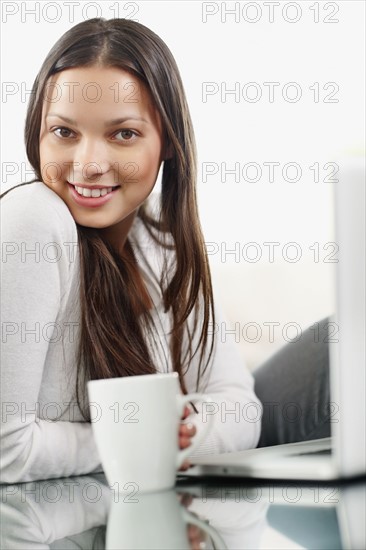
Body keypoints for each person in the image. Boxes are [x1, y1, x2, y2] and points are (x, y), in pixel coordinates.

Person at [0, 18, 262, 484]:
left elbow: (239, 403)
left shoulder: (157, 235)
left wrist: (188, 433)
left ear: (167, 143)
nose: (89, 164)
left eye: (123, 134)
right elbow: (6, 450)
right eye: (64, 132)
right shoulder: (31, 219)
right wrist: (144, 436)